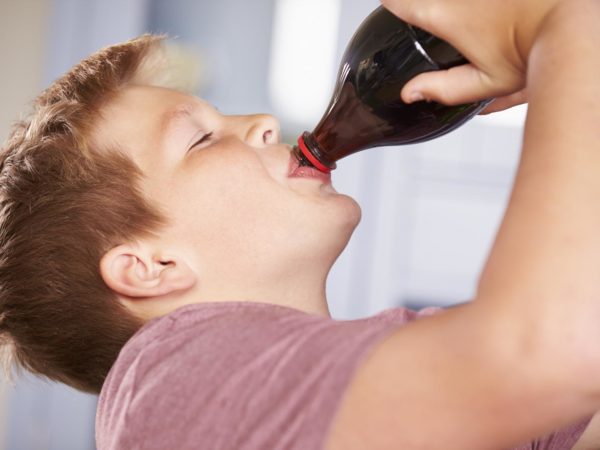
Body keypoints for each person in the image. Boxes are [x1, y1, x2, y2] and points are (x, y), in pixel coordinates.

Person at [0, 0, 599, 448]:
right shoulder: (166, 384)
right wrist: (567, 36)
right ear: (151, 266)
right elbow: (553, 350)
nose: (262, 121)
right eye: (201, 138)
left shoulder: (405, 377)